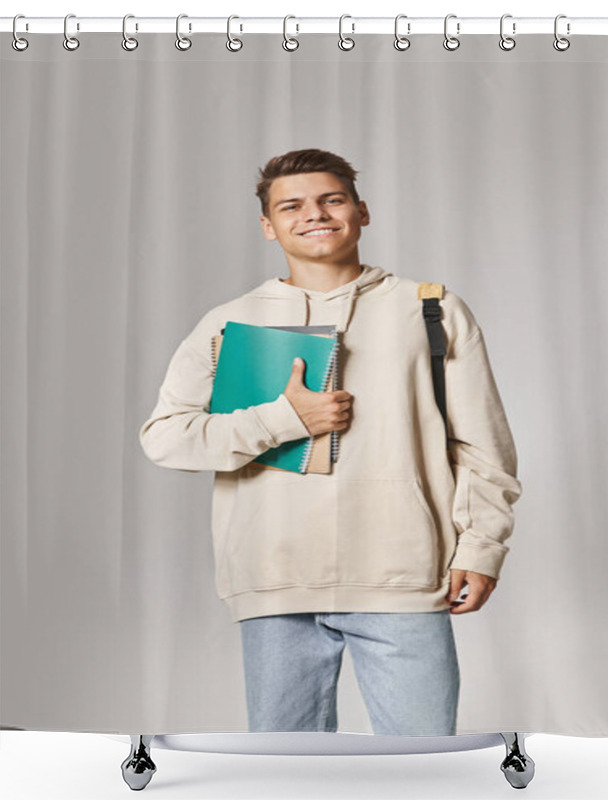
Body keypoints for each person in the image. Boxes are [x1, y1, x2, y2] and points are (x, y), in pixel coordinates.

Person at [139, 148, 522, 736]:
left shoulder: (432, 309)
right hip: (275, 575)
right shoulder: (229, 321)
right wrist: (284, 418)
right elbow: (165, 439)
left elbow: (483, 445)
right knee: (288, 779)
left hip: (402, 574)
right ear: (268, 226)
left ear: (361, 211)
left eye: (331, 199)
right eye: (291, 205)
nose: (313, 214)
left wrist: (481, 549)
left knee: (421, 772)